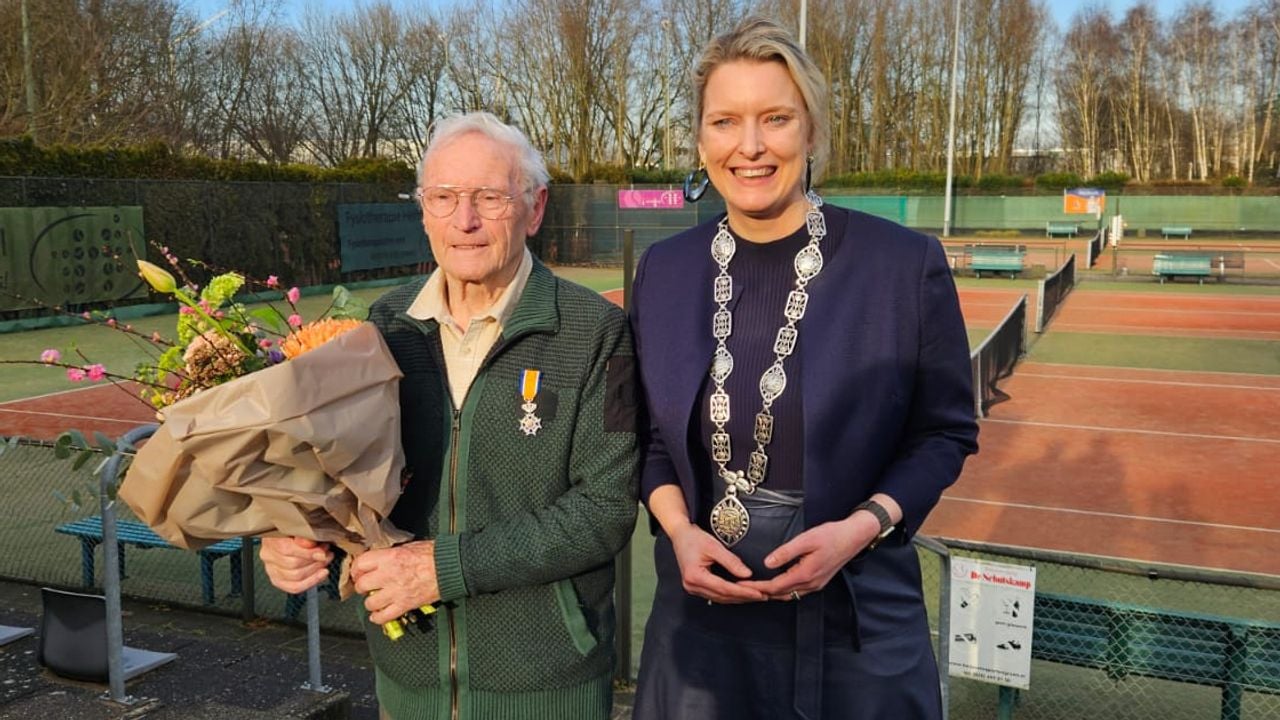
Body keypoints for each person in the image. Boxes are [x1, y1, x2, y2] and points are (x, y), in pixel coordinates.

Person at [629, 16, 979, 720]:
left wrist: (859, 529)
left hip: (856, 617)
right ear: (701, 140)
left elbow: (944, 434)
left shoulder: (902, 265)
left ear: (811, 132)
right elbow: (648, 438)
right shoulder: (663, 271)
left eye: (776, 119)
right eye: (725, 122)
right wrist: (680, 533)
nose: (750, 146)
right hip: (701, 618)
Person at [259, 111, 639, 720]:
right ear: (423, 210)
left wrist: (443, 568)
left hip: (548, 691)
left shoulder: (599, 332)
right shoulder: (380, 330)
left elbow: (605, 510)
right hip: (407, 685)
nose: (465, 221)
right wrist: (297, 540)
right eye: (443, 198)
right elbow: (342, 488)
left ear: (534, 208)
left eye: (489, 197)